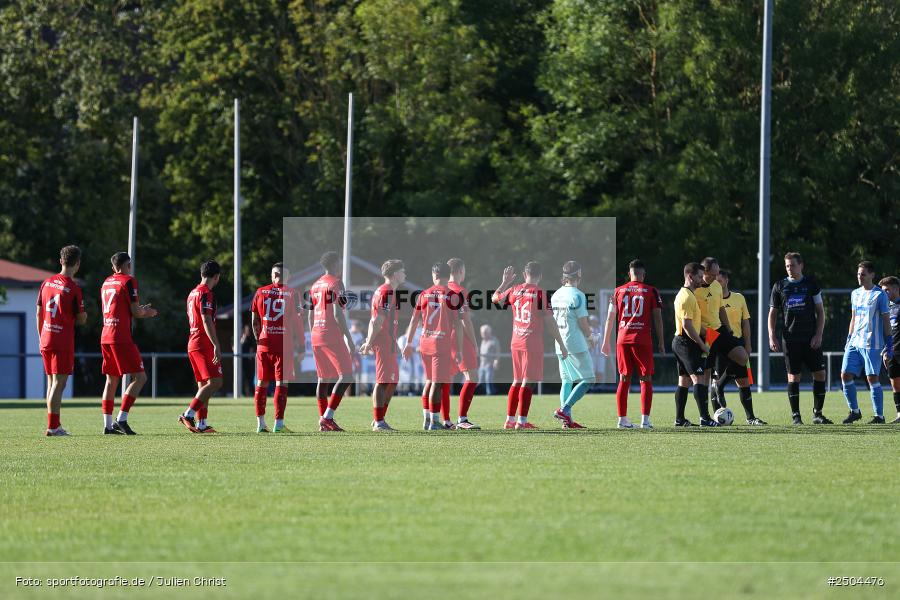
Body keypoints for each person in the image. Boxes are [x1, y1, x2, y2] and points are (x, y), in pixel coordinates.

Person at [492, 261, 567, 430]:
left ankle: (510, 420)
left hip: (516, 342)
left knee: (517, 380)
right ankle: (521, 421)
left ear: (525, 275)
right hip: (531, 343)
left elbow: (494, 299)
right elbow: (550, 322)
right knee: (528, 381)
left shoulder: (515, 289)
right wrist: (561, 344)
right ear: (539, 276)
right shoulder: (540, 293)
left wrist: (505, 282)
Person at [768, 252, 832, 425]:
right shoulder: (780, 286)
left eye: (793, 265)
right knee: (793, 377)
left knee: (819, 374)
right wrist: (771, 335)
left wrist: (818, 334)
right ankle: (796, 416)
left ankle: (817, 414)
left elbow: (820, 312)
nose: (790, 268)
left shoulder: (811, 284)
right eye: (787, 266)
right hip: (790, 339)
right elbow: (772, 314)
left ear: (801, 265)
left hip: (810, 338)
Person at [98, 252, 158, 435]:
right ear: (126, 265)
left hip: (106, 334)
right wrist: (148, 312)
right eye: (129, 265)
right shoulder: (129, 281)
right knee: (140, 377)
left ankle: (108, 426)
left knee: (111, 380)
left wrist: (140, 310)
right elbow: (136, 312)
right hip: (120, 336)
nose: (131, 268)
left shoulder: (106, 282)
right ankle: (121, 419)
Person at [600, 259, 664, 429]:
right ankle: (645, 421)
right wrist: (662, 342)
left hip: (622, 339)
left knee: (623, 379)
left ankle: (622, 420)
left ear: (629, 274)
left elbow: (609, 318)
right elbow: (657, 318)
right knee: (645, 379)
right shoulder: (651, 291)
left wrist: (606, 341)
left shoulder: (618, 291)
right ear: (643, 274)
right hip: (642, 340)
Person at [402, 262, 464, 430]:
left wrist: (408, 343)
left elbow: (414, 320)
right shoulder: (452, 296)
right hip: (440, 345)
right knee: (437, 383)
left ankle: (427, 419)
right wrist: (459, 350)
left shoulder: (423, 294)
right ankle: (434, 421)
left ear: (434, 275)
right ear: (447, 275)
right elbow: (459, 325)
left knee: (429, 381)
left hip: (424, 343)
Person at [37, 245, 87, 436]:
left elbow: (38, 313)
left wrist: (41, 336)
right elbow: (81, 319)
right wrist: (84, 315)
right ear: (78, 264)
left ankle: (53, 423)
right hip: (62, 340)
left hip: (46, 337)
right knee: (60, 383)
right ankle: (53, 426)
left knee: (51, 383)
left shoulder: (47, 282)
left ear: (61, 261)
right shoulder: (73, 288)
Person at [250, 263, 305, 433]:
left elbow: (254, 321)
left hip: (264, 344)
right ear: (288, 277)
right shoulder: (293, 293)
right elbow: (297, 322)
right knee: (282, 383)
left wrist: (259, 339)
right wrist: (302, 346)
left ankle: (260, 424)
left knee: (261, 383)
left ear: (272, 275)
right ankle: (279, 425)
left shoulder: (260, 292)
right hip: (283, 346)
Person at [309, 251, 357, 432]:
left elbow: (310, 314)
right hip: (331, 335)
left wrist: (314, 331)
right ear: (336, 263)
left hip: (316, 334)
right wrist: (349, 339)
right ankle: (327, 418)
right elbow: (338, 314)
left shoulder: (315, 285)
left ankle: (324, 421)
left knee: (323, 379)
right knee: (347, 376)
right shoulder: (337, 283)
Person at [840, 261, 892, 424]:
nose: (860, 277)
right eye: (858, 274)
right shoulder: (855, 293)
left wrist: (889, 343)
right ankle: (855, 411)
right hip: (855, 342)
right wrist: (849, 338)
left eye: (863, 274)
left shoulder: (879, 295)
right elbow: (854, 318)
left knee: (872, 378)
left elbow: (885, 320)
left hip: (872, 343)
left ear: (871, 275)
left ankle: (879, 416)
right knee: (845, 375)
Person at [696, 257, 749, 413]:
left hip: (720, 330)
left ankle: (719, 384)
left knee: (742, 357)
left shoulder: (717, 287)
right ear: (704, 272)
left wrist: (728, 329)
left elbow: (720, 309)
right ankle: (704, 415)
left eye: (718, 273)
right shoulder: (696, 289)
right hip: (707, 334)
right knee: (706, 374)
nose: (716, 277)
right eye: (713, 274)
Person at [359, 259, 406, 431]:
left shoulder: (387, 291)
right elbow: (376, 321)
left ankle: (380, 419)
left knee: (392, 381)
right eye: (402, 271)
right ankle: (378, 421)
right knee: (383, 380)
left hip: (389, 341)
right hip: (383, 342)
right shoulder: (386, 291)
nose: (405, 274)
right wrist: (369, 342)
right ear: (394, 275)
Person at [715, 269, 766, 425]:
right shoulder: (711, 300)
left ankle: (750, 418)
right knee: (715, 380)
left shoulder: (739, 298)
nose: (717, 284)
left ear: (726, 280)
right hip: (718, 344)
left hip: (736, 344)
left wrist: (748, 344)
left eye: (720, 280)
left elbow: (745, 322)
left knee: (743, 382)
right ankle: (716, 419)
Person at [178, 259, 223, 433]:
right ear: (217, 277)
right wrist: (216, 345)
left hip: (193, 342)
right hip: (203, 343)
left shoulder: (192, 293)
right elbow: (205, 319)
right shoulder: (206, 293)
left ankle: (202, 424)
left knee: (203, 385)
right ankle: (188, 414)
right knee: (216, 382)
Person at [671, 263, 717, 427]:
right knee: (698, 378)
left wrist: (708, 333)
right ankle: (705, 418)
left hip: (682, 342)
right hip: (686, 342)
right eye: (698, 277)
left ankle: (680, 419)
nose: (701, 280)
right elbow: (687, 325)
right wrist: (702, 344)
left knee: (684, 381)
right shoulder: (686, 297)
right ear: (690, 276)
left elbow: (694, 324)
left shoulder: (689, 294)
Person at [551, 261, 592, 429]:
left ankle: (566, 421)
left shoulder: (555, 294)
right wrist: (591, 337)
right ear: (578, 275)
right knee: (588, 379)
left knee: (567, 381)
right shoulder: (578, 295)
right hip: (574, 342)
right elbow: (583, 323)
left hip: (559, 342)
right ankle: (564, 409)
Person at [447, 258, 481, 429]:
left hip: (443, 338)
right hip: (458, 338)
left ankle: (442, 419)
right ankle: (462, 419)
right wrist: (474, 343)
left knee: (444, 379)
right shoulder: (460, 290)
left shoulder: (442, 289)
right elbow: (465, 321)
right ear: (460, 270)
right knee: (472, 377)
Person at [878, 276, 900, 422]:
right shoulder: (887, 309)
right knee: (895, 384)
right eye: (882, 291)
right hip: (892, 352)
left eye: (886, 290)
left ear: (896, 289)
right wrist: (885, 350)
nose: (884, 293)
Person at [478, 325, 500, 395]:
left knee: (488, 380)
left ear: (488, 332)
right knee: (480, 381)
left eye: (484, 332)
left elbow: (497, 352)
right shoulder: (483, 341)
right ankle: (494, 391)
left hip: (489, 365)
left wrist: (496, 361)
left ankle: (490, 394)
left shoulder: (494, 340)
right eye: (481, 332)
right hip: (482, 365)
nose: (482, 334)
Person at [240, 324, 256, 397]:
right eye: (246, 330)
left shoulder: (250, 340)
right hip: (241, 362)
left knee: (250, 378)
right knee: (243, 377)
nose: (248, 331)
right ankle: (244, 393)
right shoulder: (239, 339)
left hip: (249, 362)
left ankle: (252, 393)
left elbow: (252, 350)